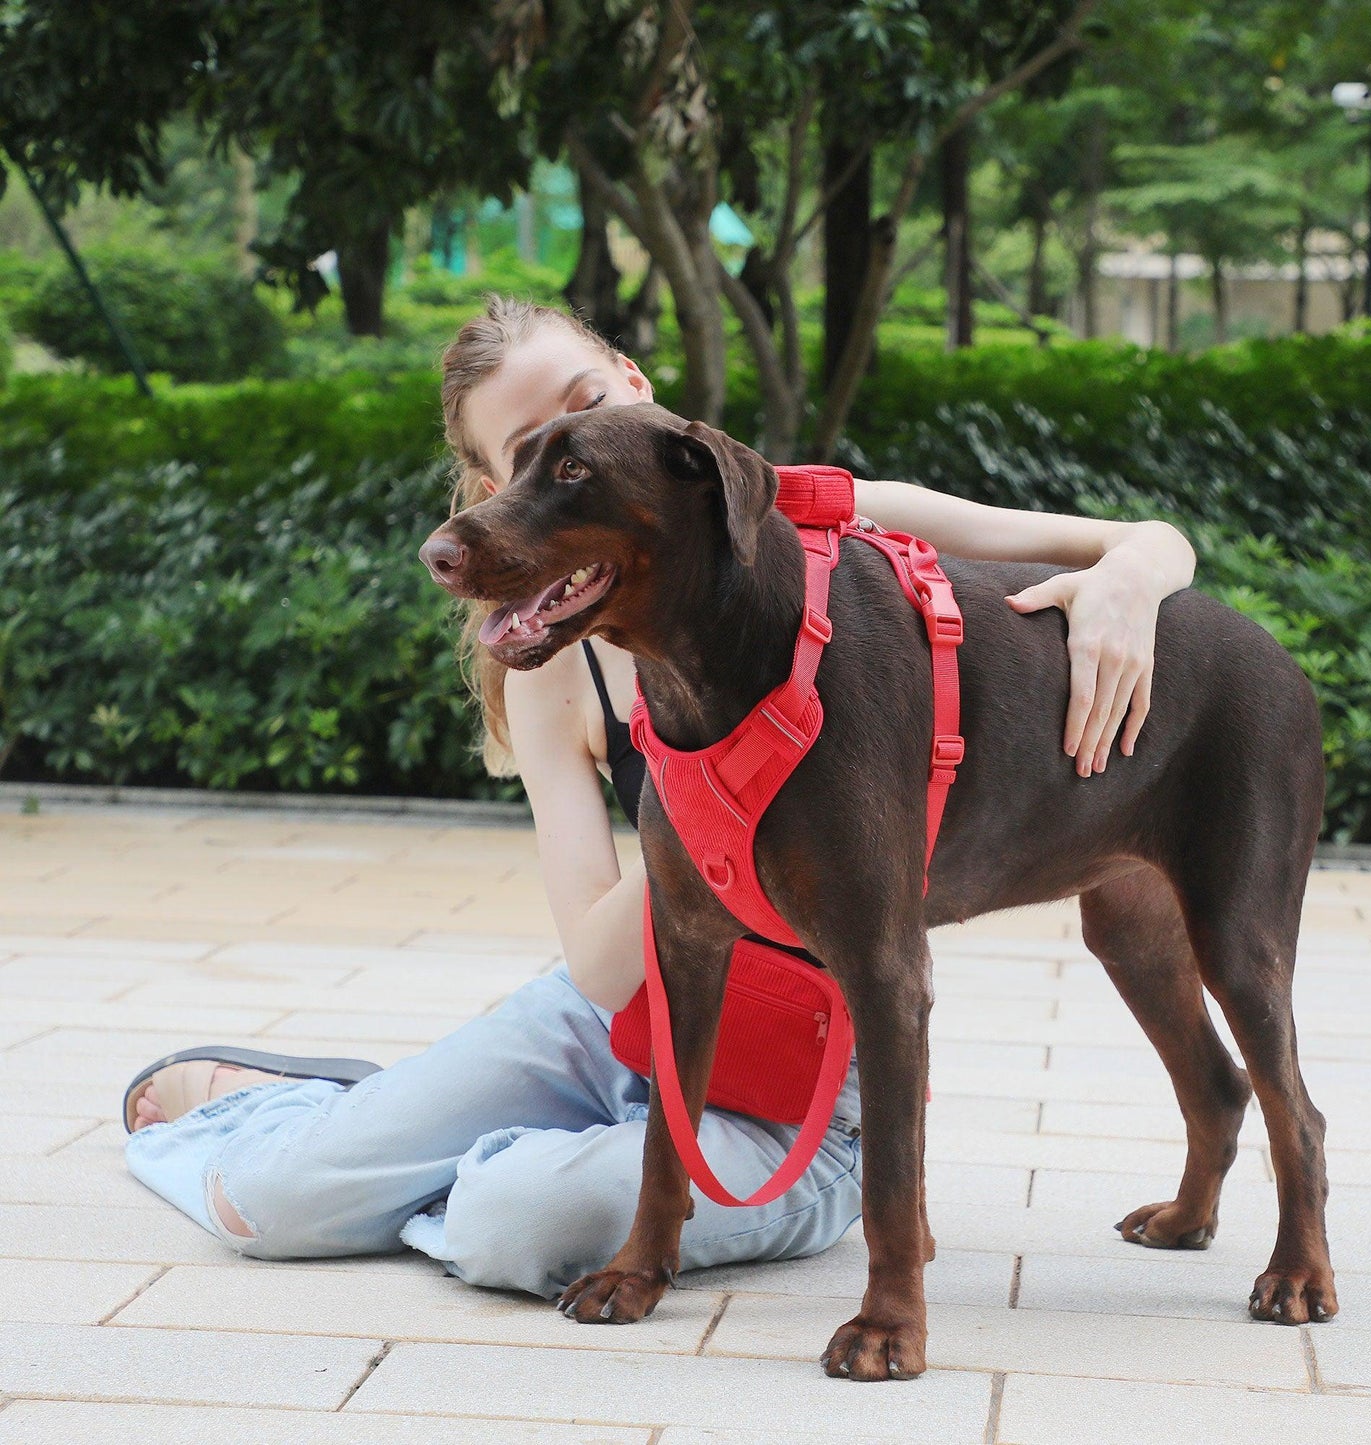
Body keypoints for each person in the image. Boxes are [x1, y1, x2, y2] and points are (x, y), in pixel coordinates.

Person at [123, 295, 1195, 1298]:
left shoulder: (812, 524)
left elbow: (1140, 539)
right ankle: (315, 1117)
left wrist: (1129, 585)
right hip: (616, 1021)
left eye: (587, 402)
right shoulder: (550, 665)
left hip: (792, 1077)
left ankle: (439, 1158)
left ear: (634, 382)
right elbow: (593, 961)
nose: (570, 452)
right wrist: (723, 812)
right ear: (510, 484)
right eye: (531, 449)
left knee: (512, 1223)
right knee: (263, 1204)